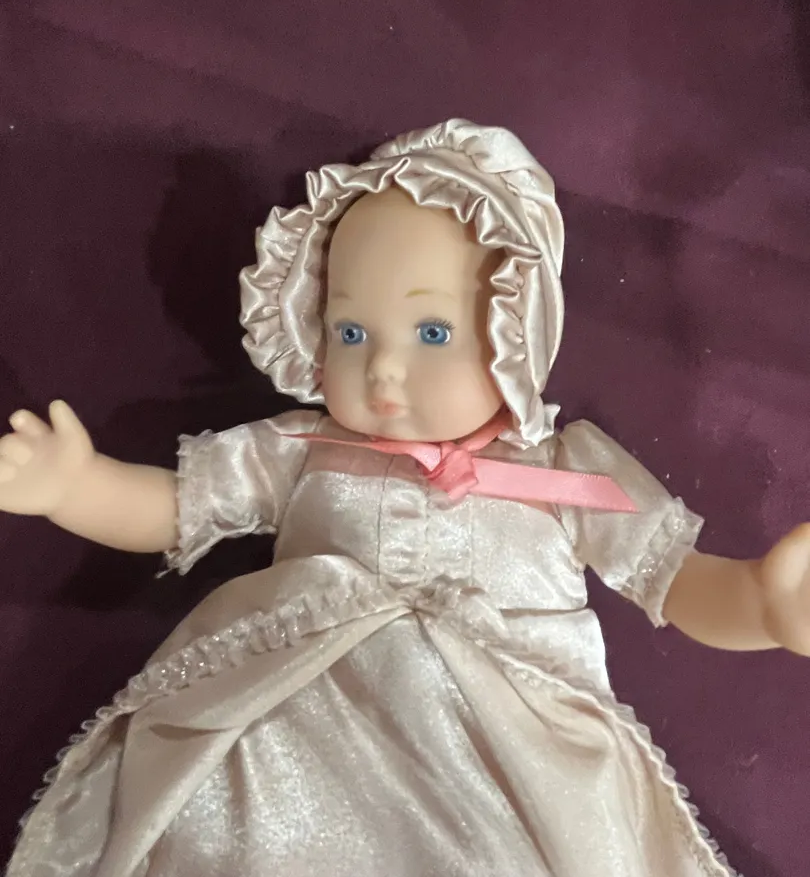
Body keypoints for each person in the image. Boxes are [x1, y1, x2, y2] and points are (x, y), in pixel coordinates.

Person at [3, 120, 808, 876]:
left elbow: (673, 576)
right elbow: (178, 507)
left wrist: (761, 604)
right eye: (352, 333)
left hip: (506, 760)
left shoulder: (570, 469)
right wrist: (77, 486)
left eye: (431, 333)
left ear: (515, 333)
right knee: (238, 828)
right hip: (303, 726)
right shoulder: (303, 450)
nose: (383, 368)